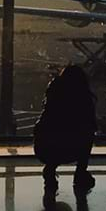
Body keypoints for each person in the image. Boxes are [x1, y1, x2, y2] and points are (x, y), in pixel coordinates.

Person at [33, 65, 97, 197]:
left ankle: (50, 168)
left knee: (56, 139)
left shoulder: (53, 97)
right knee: (87, 133)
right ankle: (80, 173)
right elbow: (90, 125)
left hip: (45, 148)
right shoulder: (83, 99)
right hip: (72, 148)